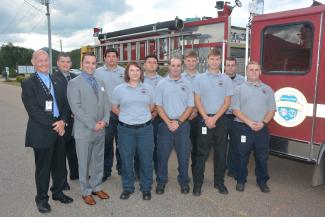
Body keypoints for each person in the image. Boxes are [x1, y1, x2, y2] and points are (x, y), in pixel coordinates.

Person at [21, 50, 73, 213]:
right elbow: (33, 110)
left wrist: (63, 121)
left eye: (46, 60)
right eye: (40, 60)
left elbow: (65, 104)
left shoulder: (56, 79)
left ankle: (57, 192)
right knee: (43, 168)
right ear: (33, 62)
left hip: (60, 129)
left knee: (59, 165)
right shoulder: (28, 83)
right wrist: (56, 124)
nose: (43, 63)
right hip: (43, 131)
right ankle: (42, 199)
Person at [67, 53, 110, 205]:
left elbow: (106, 103)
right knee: (84, 163)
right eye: (87, 62)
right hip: (84, 130)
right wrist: (93, 124)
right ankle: (86, 192)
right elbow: (76, 108)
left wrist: (105, 121)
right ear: (82, 64)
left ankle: (96, 187)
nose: (90, 65)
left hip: (101, 129)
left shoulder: (101, 82)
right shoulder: (74, 83)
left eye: (93, 63)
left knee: (98, 161)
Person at [192, 48, 233, 196]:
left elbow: (227, 102)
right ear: (207, 60)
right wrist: (206, 118)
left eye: (217, 59)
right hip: (204, 118)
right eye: (212, 59)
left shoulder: (226, 79)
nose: (215, 62)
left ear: (220, 61)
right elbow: (197, 100)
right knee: (201, 153)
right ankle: (198, 183)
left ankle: (219, 182)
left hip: (220, 120)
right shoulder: (199, 78)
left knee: (221, 153)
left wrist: (214, 118)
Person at [112, 62, 155, 200]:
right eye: (132, 70)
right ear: (127, 73)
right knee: (126, 159)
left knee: (146, 159)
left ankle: (146, 188)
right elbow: (114, 107)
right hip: (126, 130)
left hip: (145, 130)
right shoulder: (119, 89)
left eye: (137, 70)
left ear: (141, 72)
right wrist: (126, 116)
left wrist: (140, 115)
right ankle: (128, 187)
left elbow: (152, 106)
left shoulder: (148, 88)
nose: (135, 72)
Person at [232, 61, 276, 193]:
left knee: (262, 157)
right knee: (241, 155)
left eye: (256, 70)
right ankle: (240, 180)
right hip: (244, 128)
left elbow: (272, 110)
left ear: (260, 72)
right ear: (246, 71)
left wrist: (263, 123)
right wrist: (249, 122)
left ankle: (262, 181)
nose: (254, 72)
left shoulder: (268, 90)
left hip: (261, 129)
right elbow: (235, 110)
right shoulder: (238, 89)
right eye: (251, 70)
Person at [155, 57, 194, 195]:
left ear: (181, 67)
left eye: (178, 65)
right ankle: (161, 181)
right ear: (169, 66)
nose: (176, 68)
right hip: (165, 125)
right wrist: (168, 122)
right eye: (173, 65)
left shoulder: (188, 84)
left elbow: (190, 106)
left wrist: (178, 121)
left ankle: (184, 181)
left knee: (184, 155)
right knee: (162, 155)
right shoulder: (161, 84)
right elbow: (158, 106)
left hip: (182, 125)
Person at [95, 48, 124, 181]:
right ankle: (106, 171)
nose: (111, 58)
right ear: (104, 58)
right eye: (109, 56)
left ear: (117, 58)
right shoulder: (97, 73)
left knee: (122, 143)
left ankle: (122, 169)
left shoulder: (124, 72)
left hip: (121, 113)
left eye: (114, 56)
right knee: (106, 143)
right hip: (105, 114)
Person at [52, 53, 79, 191]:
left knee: (74, 149)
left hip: (76, 121)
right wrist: (63, 119)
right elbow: (55, 103)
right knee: (60, 153)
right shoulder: (52, 79)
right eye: (62, 61)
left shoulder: (76, 77)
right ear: (57, 63)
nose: (65, 64)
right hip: (62, 121)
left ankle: (76, 173)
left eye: (68, 61)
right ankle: (62, 181)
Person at [134, 54, 163, 176]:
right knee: (139, 146)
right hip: (139, 118)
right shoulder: (137, 79)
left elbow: (163, 100)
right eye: (149, 62)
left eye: (154, 62)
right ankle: (138, 171)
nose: (152, 64)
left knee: (157, 145)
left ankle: (157, 170)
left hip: (157, 117)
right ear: (144, 65)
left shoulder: (162, 81)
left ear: (157, 65)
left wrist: (155, 112)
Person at [223, 57, 245, 178]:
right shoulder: (219, 79)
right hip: (223, 116)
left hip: (236, 117)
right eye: (228, 65)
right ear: (224, 66)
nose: (230, 67)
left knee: (234, 144)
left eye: (232, 65)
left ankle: (232, 168)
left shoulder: (243, 81)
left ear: (236, 66)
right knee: (221, 144)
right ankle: (222, 167)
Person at [182, 51, 200, 174]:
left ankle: (195, 171)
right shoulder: (179, 77)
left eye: (193, 60)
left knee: (197, 146)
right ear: (184, 62)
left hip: (198, 116)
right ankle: (183, 172)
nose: (191, 63)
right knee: (183, 147)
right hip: (183, 117)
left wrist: (196, 110)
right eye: (188, 60)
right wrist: (186, 113)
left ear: (197, 61)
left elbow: (204, 97)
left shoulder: (203, 77)